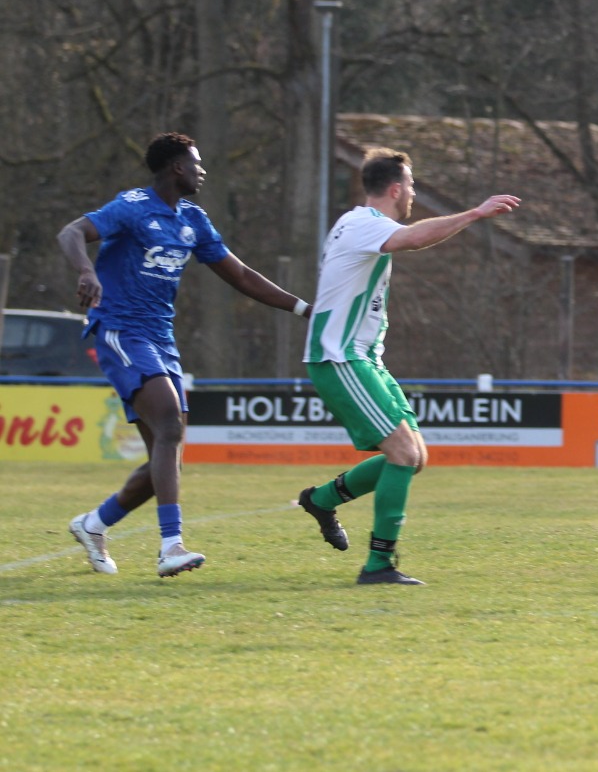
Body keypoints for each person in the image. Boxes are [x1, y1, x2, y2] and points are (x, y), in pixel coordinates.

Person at [61, 132, 313, 578]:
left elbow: (240, 275)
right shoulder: (133, 206)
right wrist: (86, 270)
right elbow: (72, 232)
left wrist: (304, 309)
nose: (202, 170)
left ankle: (94, 524)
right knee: (170, 426)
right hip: (121, 329)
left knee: (168, 453)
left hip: (161, 337)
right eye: (196, 163)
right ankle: (170, 547)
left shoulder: (193, 219)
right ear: (177, 167)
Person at [294, 148, 519, 586]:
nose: (413, 193)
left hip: (363, 358)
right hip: (340, 358)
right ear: (396, 189)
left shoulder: (355, 224)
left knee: (414, 456)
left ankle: (321, 500)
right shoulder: (364, 223)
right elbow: (415, 238)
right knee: (402, 454)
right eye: (412, 185)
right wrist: (475, 213)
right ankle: (379, 565)